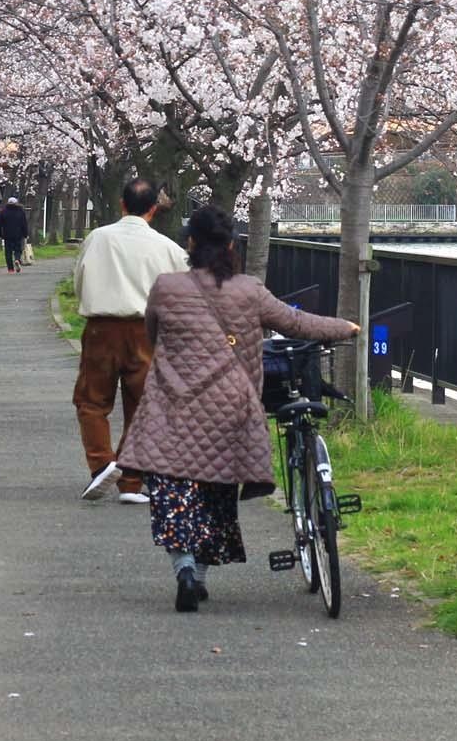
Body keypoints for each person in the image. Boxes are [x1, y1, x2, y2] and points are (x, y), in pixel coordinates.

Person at [117, 204, 358, 611]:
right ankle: (202, 574)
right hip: (230, 406)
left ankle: (186, 570)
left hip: (172, 405)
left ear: (189, 243)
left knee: (174, 493)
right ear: (231, 245)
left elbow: (153, 334)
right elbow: (295, 324)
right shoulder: (249, 290)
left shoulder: (166, 287)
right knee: (215, 493)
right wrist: (346, 327)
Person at [75, 180, 189, 504]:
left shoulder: (98, 238)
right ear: (154, 209)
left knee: (92, 400)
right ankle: (131, 480)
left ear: (121, 204)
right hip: (147, 331)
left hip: (101, 328)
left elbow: (79, 279)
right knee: (142, 406)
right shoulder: (167, 247)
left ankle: (101, 464)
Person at [0, 195, 31, 272]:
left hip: (7, 234)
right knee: (18, 249)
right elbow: (24, 224)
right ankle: (17, 259)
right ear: (16, 203)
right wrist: (26, 234)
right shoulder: (20, 211)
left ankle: (10, 269)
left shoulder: (3, 211)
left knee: (8, 252)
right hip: (18, 234)